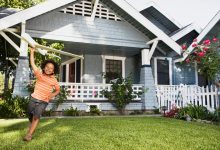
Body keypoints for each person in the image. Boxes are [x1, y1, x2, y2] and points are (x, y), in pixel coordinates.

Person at [23, 47, 60, 141]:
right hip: (33, 98)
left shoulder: (54, 80)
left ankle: (29, 135)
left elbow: (57, 90)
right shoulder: (39, 74)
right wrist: (32, 52)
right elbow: (32, 64)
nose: (48, 69)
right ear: (44, 67)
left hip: (44, 101)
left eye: (51, 68)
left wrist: (52, 95)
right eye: (47, 67)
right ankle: (31, 125)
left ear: (53, 70)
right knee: (30, 114)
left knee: (36, 116)